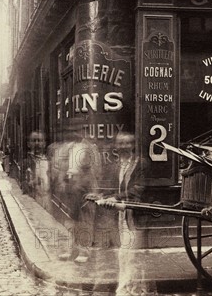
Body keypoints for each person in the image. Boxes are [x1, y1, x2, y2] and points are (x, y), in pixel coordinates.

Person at [95, 131, 158, 296]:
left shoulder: (141, 164)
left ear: (133, 145)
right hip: (121, 215)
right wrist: (102, 196)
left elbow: (138, 189)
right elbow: (111, 187)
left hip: (137, 215)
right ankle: (132, 290)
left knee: (131, 254)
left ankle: (128, 291)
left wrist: (114, 198)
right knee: (124, 254)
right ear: (116, 146)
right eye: (120, 143)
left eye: (127, 143)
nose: (123, 147)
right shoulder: (115, 165)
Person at [56, 117, 101, 264]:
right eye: (72, 130)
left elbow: (95, 170)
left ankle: (84, 251)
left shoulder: (91, 148)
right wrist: (64, 182)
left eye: (78, 130)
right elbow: (64, 166)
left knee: (85, 220)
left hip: (85, 187)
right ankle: (72, 249)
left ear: (84, 130)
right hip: (71, 186)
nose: (75, 133)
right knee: (71, 220)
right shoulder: (70, 147)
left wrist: (88, 188)